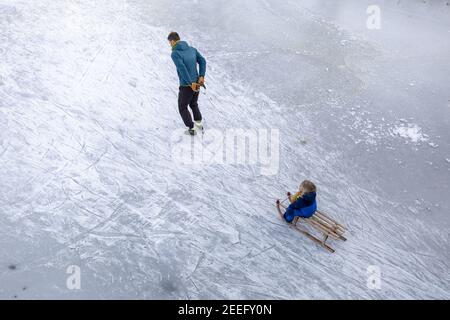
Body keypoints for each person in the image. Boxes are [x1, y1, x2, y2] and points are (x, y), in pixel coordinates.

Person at [168, 32, 207, 136]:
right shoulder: (192, 49)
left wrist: (190, 83)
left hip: (186, 85)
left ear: (172, 41)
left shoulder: (175, 53)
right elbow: (202, 61)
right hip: (197, 83)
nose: (170, 45)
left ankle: (192, 128)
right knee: (193, 104)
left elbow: (182, 69)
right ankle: (198, 125)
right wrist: (201, 76)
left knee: (182, 106)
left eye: (170, 43)